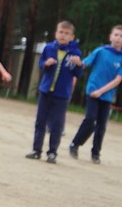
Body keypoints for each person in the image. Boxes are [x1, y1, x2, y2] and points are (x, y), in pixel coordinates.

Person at [68, 25, 122, 164]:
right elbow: (85, 64)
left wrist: (101, 91)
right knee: (90, 119)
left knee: (101, 125)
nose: (118, 38)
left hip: (106, 95)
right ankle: (75, 144)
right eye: (116, 35)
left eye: (121, 36)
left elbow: (118, 80)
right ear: (110, 36)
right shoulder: (101, 51)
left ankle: (96, 152)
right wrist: (78, 62)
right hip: (92, 90)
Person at [26, 21, 82, 164]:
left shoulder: (75, 52)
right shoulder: (49, 48)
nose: (63, 35)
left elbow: (79, 74)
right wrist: (46, 63)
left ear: (72, 36)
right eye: (61, 32)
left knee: (57, 125)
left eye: (67, 33)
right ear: (56, 33)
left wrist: (79, 64)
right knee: (40, 121)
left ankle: (52, 152)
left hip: (62, 94)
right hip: (45, 91)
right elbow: (40, 64)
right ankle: (36, 150)